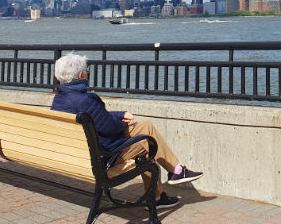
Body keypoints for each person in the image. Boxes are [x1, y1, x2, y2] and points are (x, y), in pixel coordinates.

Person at [51, 53, 202, 208]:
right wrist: (121, 122)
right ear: (81, 74)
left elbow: (98, 119)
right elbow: (108, 127)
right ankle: (160, 193)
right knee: (147, 145)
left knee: (145, 127)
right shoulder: (86, 100)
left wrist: (120, 115)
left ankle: (175, 172)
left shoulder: (59, 100)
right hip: (103, 158)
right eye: (87, 70)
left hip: (77, 155)